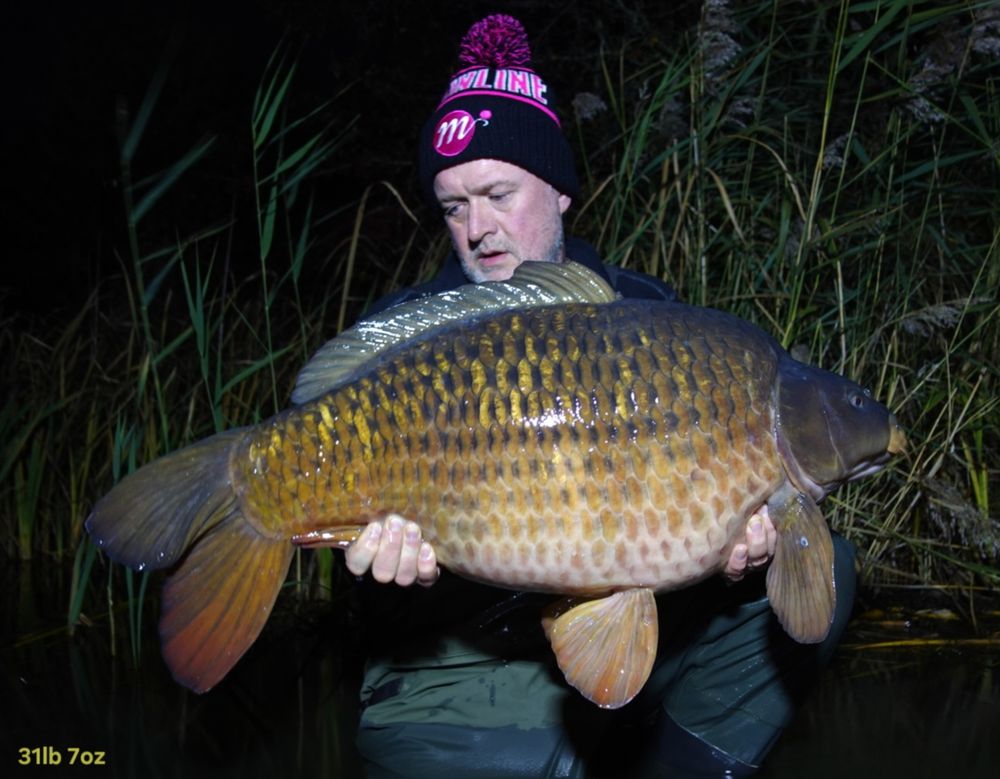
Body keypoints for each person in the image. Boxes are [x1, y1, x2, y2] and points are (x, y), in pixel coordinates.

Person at [342, 15, 855, 778]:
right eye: (453, 206)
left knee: (827, 566)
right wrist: (379, 573)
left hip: (636, 629)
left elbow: (702, 518)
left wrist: (736, 553)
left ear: (559, 190)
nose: (478, 228)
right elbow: (363, 604)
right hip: (458, 657)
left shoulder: (653, 317)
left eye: (498, 194)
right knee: (514, 756)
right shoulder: (409, 340)